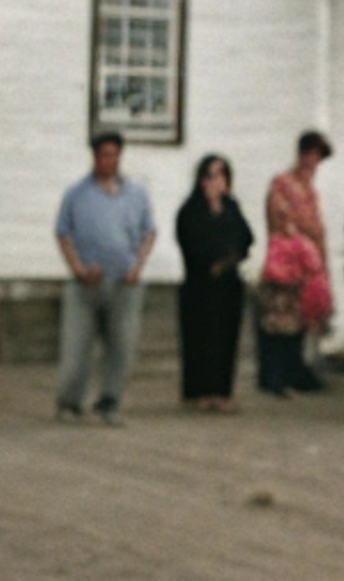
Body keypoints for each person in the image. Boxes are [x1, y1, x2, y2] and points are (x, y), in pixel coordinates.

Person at [54, 132, 157, 424]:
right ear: (94, 156)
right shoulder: (77, 194)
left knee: (121, 347)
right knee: (77, 347)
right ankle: (70, 401)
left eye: (114, 155)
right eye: (103, 155)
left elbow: (148, 232)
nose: (109, 160)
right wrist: (78, 269)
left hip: (123, 281)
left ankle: (110, 401)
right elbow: (63, 233)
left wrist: (138, 266)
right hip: (86, 282)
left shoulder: (136, 193)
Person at [257, 130, 334, 394]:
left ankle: (294, 371)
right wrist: (304, 240)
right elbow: (282, 219)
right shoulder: (282, 183)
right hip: (288, 260)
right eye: (311, 155)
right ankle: (273, 376)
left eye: (318, 157)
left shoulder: (311, 191)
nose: (314, 163)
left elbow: (318, 228)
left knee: (299, 321)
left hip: (308, 265)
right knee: (278, 321)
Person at [175, 153, 254, 410]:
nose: (215, 182)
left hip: (228, 284)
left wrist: (230, 257)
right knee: (200, 339)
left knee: (225, 339)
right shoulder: (191, 210)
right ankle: (198, 392)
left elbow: (246, 238)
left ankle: (221, 392)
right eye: (210, 176)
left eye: (220, 176)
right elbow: (191, 242)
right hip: (200, 284)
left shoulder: (231, 207)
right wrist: (214, 260)